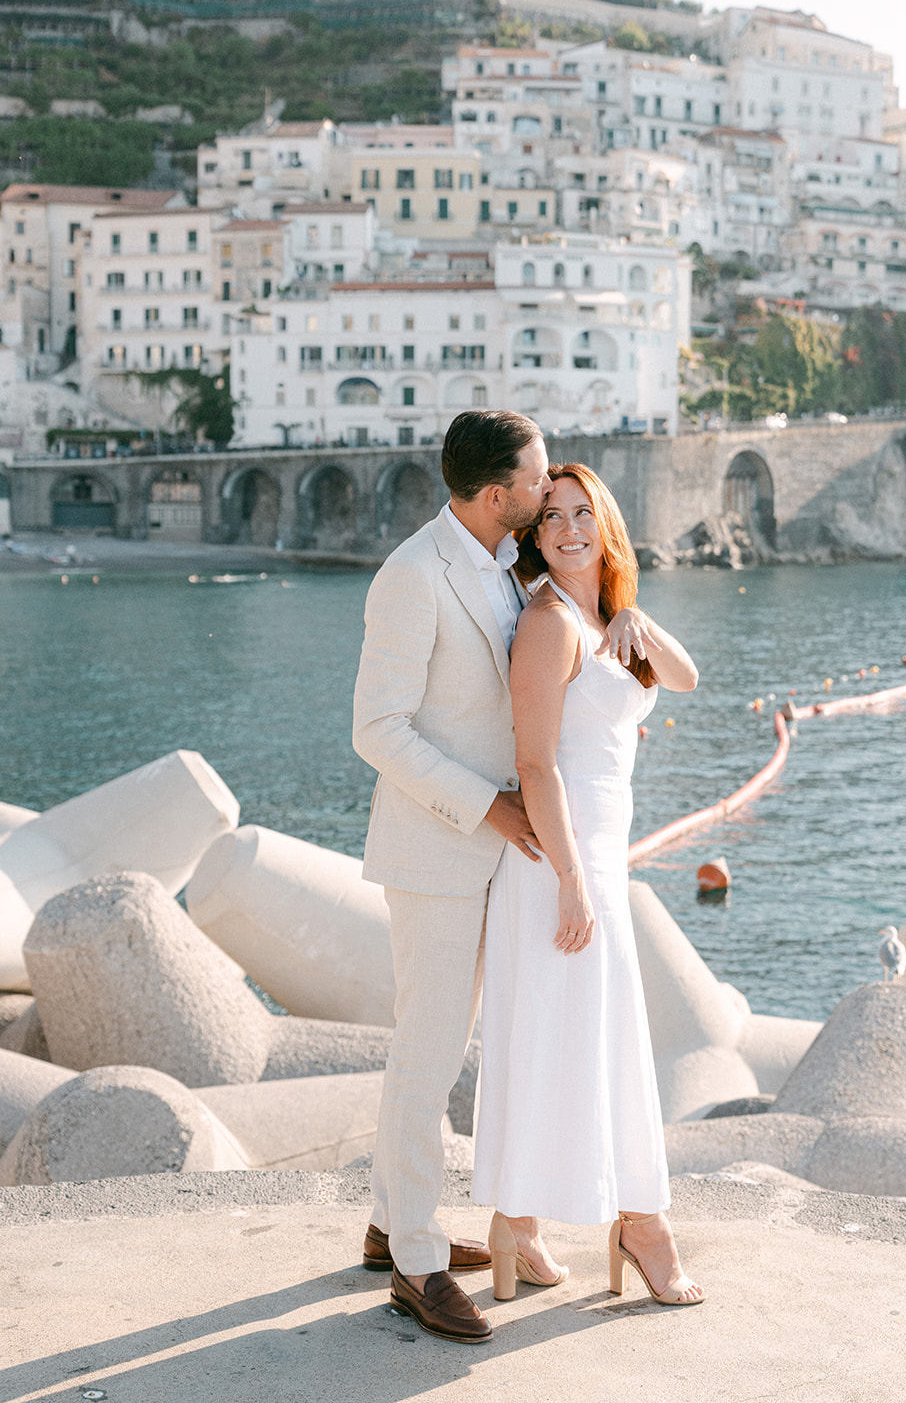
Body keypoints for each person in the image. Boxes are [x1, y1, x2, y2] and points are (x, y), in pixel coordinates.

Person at [472, 463, 705, 1308]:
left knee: (578, 1040)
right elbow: (533, 762)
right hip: (557, 865)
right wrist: (571, 880)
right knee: (564, 1041)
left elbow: (682, 678)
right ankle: (638, 1225)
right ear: (534, 537)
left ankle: (521, 1225)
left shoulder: (605, 619)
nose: (569, 528)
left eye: (584, 513)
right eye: (553, 517)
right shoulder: (548, 623)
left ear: (605, 523)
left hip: (597, 857)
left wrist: (638, 615)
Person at [352, 409, 552, 1345]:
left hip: (489, 853)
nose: (550, 489)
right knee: (425, 1059)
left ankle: (392, 1225)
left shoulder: (506, 566)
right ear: (493, 492)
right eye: (537, 477)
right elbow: (377, 730)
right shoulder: (412, 575)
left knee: (440, 1049)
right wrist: (489, 806)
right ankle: (417, 1268)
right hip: (437, 852)